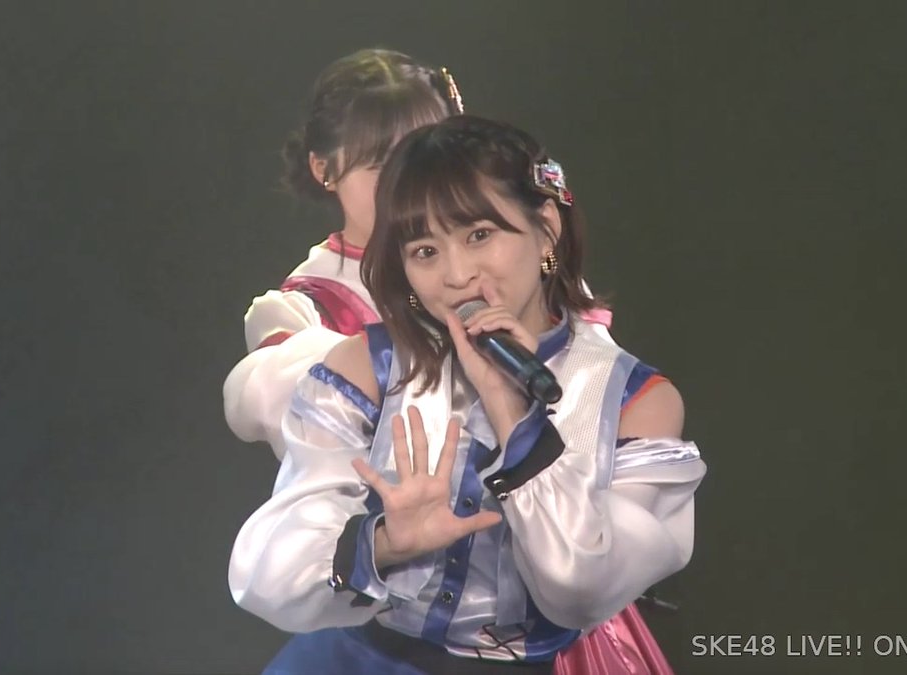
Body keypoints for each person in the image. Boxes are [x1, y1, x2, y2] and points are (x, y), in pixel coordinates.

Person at [228, 115, 705, 673]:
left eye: (479, 236)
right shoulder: (369, 366)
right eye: (425, 251)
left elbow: (579, 589)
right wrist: (383, 544)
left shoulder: (632, 398)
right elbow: (266, 573)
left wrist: (511, 412)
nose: (456, 276)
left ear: (546, 227)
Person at [223, 48, 464, 460]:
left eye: (423, 159)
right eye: (380, 164)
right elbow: (274, 407)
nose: (406, 182)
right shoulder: (307, 308)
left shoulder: (491, 260)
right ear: (324, 169)